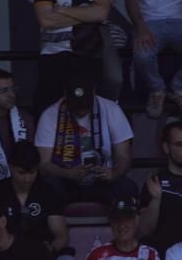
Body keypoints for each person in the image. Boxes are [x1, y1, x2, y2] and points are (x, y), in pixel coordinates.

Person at [35, 78, 136, 209]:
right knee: (47, 188)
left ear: (94, 93)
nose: (81, 110)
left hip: (103, 179)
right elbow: (44, 164)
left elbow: (124, 157)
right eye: (76, 105)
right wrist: (68, 174)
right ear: (65, 95)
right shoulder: (50, 115)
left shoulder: (111, 109)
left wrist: (113, 173)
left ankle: (122, 228)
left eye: (85, 105)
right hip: (66, 179)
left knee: (127, 187)